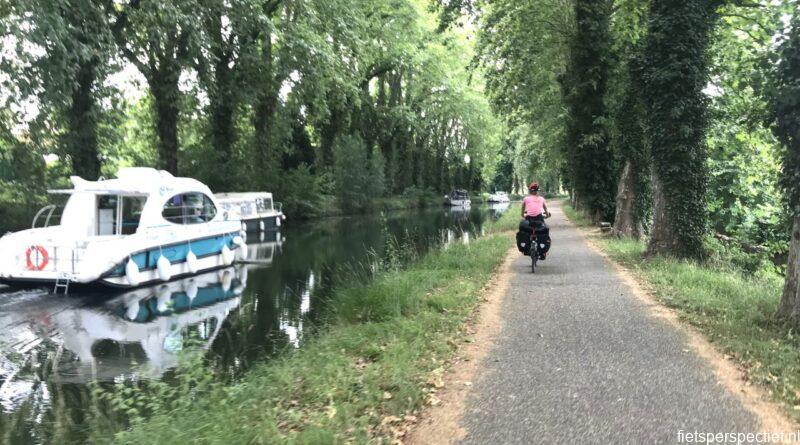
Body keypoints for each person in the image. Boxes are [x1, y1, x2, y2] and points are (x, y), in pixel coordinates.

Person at [521, 182, 551, 259]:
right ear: (537, 191)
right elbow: (546, 210)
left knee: (527, 231)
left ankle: (526, 249)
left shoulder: (526, 199)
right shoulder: (541, 199)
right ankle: (543, 253)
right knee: (545, 231)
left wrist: (523, 215)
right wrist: (547, 215)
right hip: (539, 219)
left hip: (528, 220)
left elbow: (522, 211)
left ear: (530, 191)